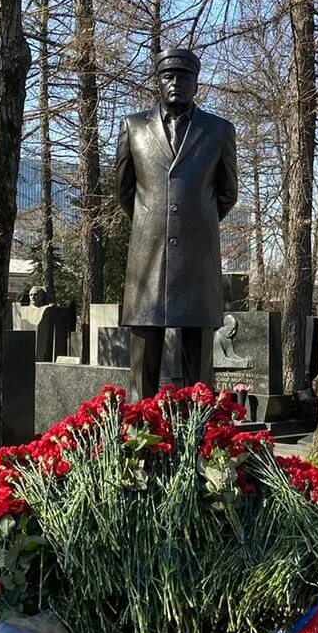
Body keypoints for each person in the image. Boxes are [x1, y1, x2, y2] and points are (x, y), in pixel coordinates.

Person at [115, 48, 238, 400]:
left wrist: (193, 225)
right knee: (143, 367)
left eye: (184, 77)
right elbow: (124, 190)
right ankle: (139, 433)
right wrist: (150, 222)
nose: (176, 83)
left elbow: (227, 193)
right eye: (168, 76)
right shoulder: (133, 127)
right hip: (147, 257)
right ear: (158, 82)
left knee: (198, 370)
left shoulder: (218, 131)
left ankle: (201, 438)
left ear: (196, 83)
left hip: (197, 259)